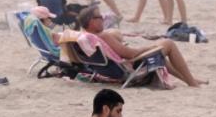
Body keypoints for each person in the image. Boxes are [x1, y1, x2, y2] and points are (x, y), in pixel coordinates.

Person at [78, 6, 207, 88]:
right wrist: (147, 48)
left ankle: (189, 79)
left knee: (160, 54)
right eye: (100, 17)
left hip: (108, 69)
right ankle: (191, 82)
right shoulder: (102, 36)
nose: (103, 19)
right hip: (130, 66)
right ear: (92, 21)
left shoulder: (86, 37)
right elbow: (131, 54)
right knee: (168, 43)